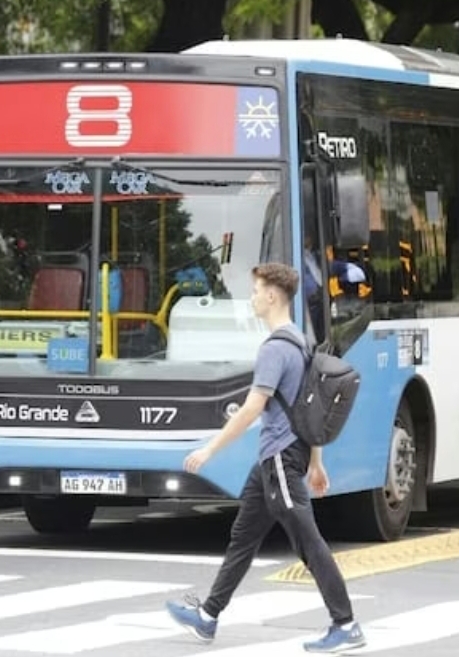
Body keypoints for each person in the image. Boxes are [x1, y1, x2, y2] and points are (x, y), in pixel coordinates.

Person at [164, 262, 365, 653]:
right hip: (277, 460)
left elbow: (252, 408)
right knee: (243, 537)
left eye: (256, 290)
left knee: (309, 542)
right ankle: (208, 616)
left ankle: (346, 624)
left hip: (280, 460)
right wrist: (316, 461)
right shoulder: (302, 341)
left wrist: (208, 449)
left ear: (272, 295)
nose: (252, 298)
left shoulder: (275, 349)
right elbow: (310, 408)